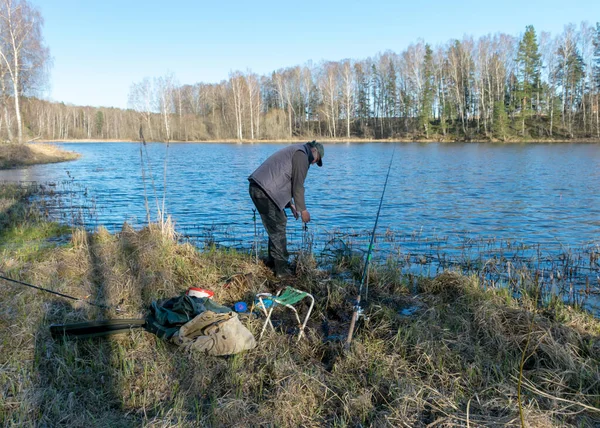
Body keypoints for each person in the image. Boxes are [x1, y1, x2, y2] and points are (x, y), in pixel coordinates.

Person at [248, 140, 324, 278]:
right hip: (263, 192)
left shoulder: (296, 150)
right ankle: (281, 271)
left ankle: (273, 263)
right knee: (278, 227)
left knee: (278, 222)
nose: (313, 163)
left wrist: (290, 205)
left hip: (261, 190)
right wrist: (303, 210)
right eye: (315, 160)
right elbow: (298, 186)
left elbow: (281, 180)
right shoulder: (302, 156)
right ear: (314, 151)